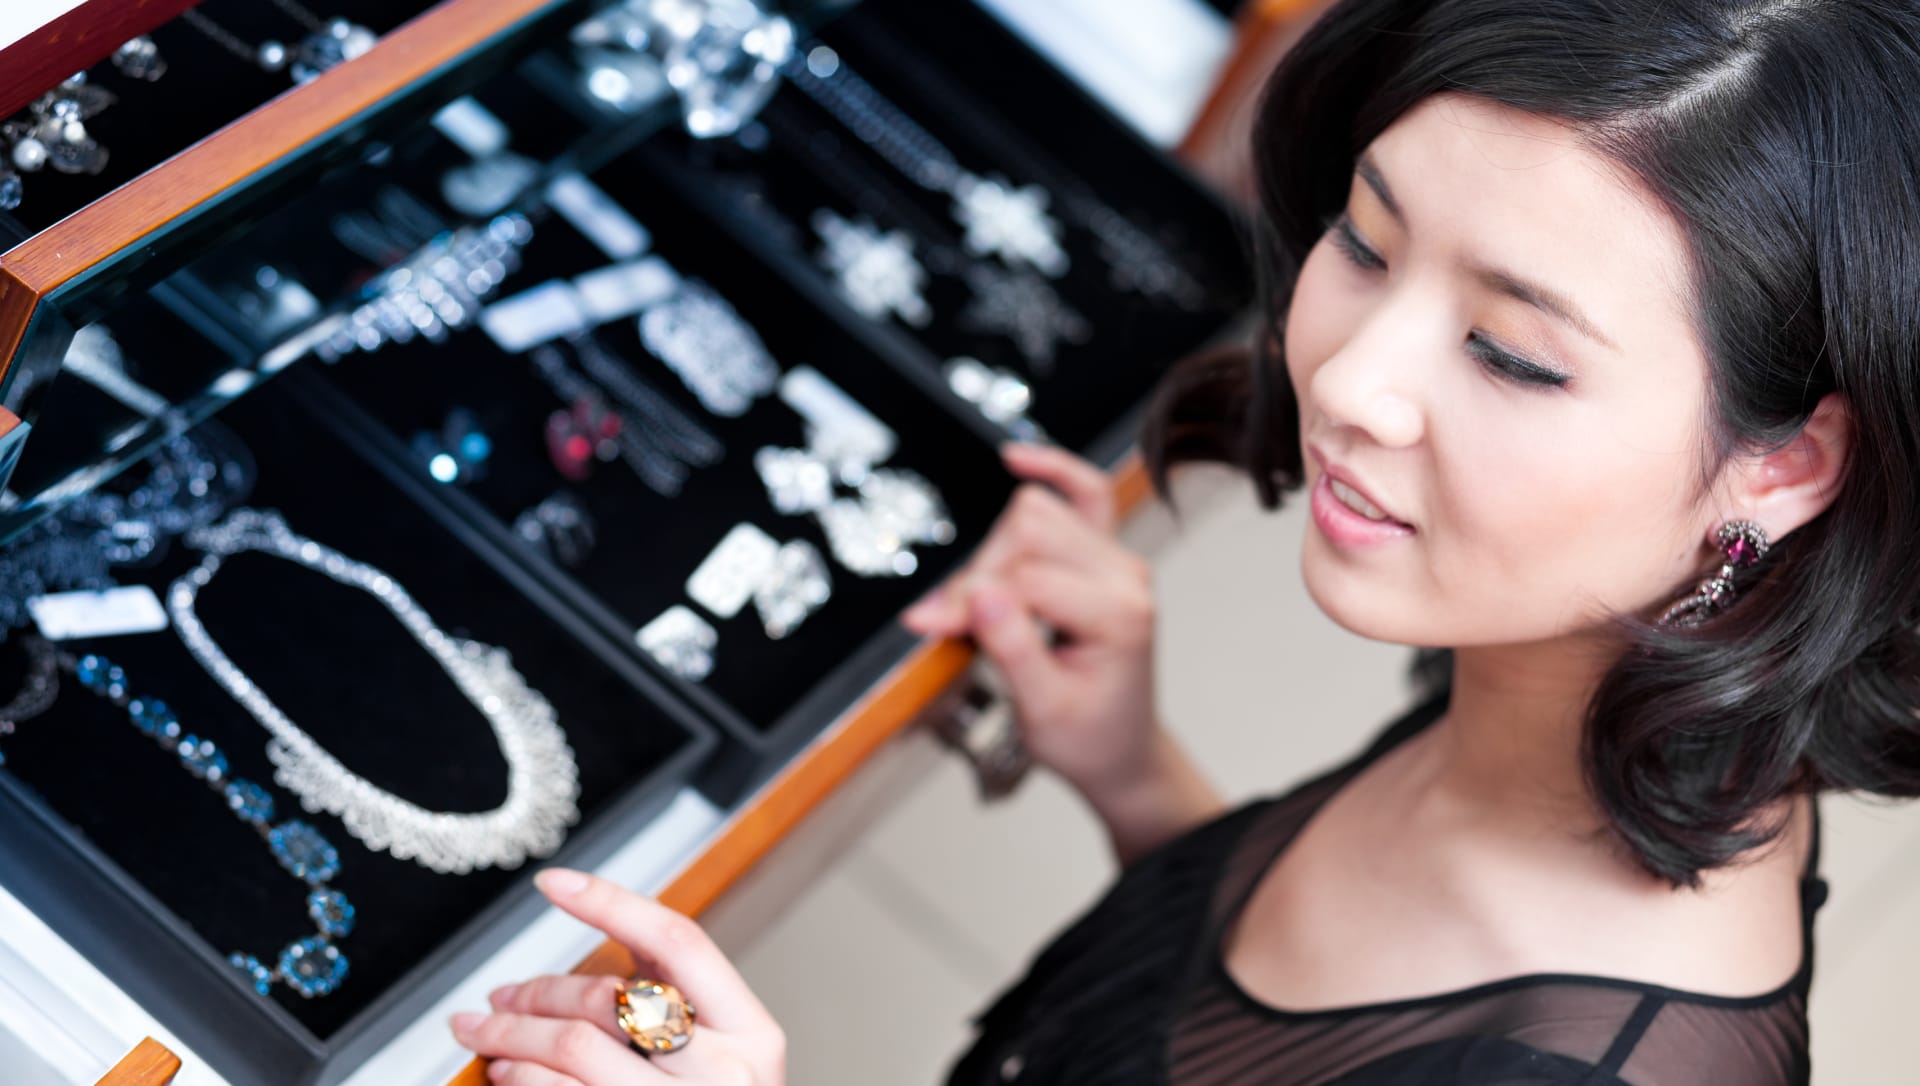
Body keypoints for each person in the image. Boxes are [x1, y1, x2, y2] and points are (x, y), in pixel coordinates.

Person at [449, 0, 1920, 1080]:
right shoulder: (1641, 710)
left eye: (1512, 353)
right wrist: (1136, 774)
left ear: (1786, 458)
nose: (1346, 381)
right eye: (1365, 237)